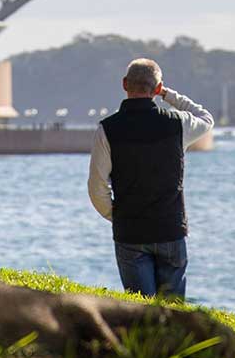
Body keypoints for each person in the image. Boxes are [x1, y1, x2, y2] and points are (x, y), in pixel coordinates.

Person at [87, 56, 213, 298]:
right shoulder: (178, 124)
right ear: (156, 88)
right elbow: (206, 119)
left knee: (140, 309)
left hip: (130, 231)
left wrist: (115, 216)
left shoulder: (107, 129)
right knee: (173, 313)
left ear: (125, 84)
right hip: (170, 229)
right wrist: (168, 94)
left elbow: (97, 186)